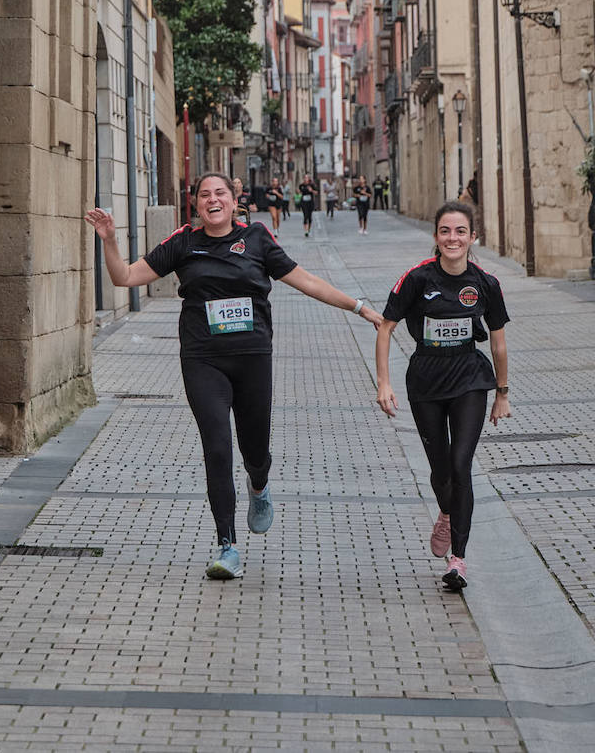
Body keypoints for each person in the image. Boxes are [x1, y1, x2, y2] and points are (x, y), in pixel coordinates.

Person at [86, 175, 384, 580]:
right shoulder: (183, 242)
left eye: (220, 193)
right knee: (217, 446)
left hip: (252, 357)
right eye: (205, 195)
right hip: (202, 359)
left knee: (254, 447)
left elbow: (306, 280)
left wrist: (358, 307)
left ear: (234, 199)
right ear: (196, 204)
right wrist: (108, 240)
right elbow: (124, 277)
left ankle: (258, 485)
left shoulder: (257, 239)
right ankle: (227, 545)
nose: (213, 200)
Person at [374, 200, 510, 591]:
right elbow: (386, 328)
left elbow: (498, 344)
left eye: (461, 232)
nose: (453, 238)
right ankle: (447, 511)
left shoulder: (486, 283)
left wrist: (502, 392)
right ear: (436, 236)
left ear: (472, 237)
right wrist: (384, 382)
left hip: (469, 377)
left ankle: (458, 559)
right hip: (426, 382)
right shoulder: (417, 279)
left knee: (460, 463)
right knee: (440, 468)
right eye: (446, 231)